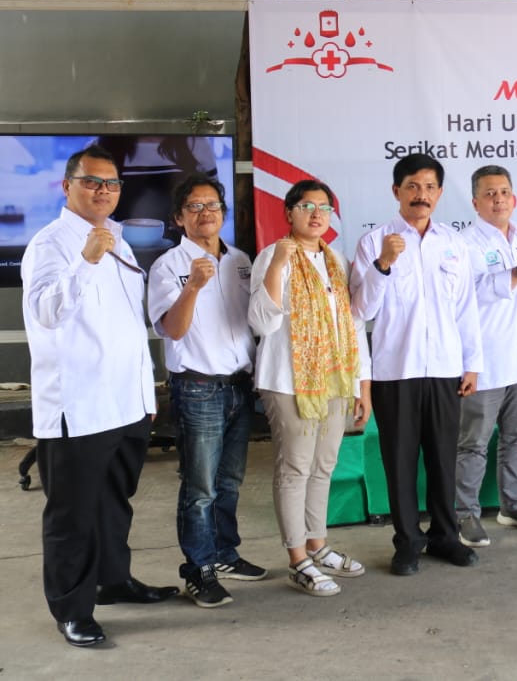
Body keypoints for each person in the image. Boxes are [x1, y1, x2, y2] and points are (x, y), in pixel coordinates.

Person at [21, 144, 179, 648]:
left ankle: (114, 580)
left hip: (125, 403)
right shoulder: (51, 245)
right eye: (91, 181)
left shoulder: (119, 241)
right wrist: (87, 261)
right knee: (72, 514)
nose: (103, 191)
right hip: (80, 405)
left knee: (115, 503)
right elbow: (47, 313)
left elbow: (128, 325)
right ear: (67, 186)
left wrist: (145, 396)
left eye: (111, 183)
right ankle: (72, 609)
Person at [350, 154, 483, 575]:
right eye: (412, 186)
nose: (421, 195)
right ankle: (407, 541)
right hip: (396, 370)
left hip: (445, 367)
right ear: (396, 191)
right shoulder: (374, 242)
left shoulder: (454, 244)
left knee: (443, 457)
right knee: (400, 460)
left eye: (429, 187)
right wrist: (384, 264)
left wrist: (472, 363)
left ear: (439, 194)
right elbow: (361, 310)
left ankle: (445, 536)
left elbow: (466, 308)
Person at [249, 179, 372, 597]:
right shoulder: (273, 254)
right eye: (306, 206)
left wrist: (362, 385)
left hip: (334, 379)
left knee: (323, 466)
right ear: (289, 213)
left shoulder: (337, 260)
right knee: (295, 468)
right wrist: (278, 266)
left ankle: (318, 545)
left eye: (324, 208)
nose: (316, 214)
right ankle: (297, 559)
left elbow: (353, 325)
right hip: (289, 382)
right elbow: (261, 322)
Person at [148, 173, 264, 608]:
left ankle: (224, 554)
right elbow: (173, 329)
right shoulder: (168, 266)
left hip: (239, 385)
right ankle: (198, 569)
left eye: (212, 205)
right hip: (198, 388)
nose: (205, 213)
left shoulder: (241, 261)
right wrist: (193, 287)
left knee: (230, 481)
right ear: (179, 218)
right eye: (194, 207)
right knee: (200, 488)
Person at [455, 165, 517, 547]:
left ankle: (512, 505)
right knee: (473, 442)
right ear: (475, 202)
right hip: (486, 362)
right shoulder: (465, 243)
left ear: (514, 197)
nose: (499, 199)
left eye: (504, 192)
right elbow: (469, 297)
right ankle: (465, 513)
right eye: (490, 193)